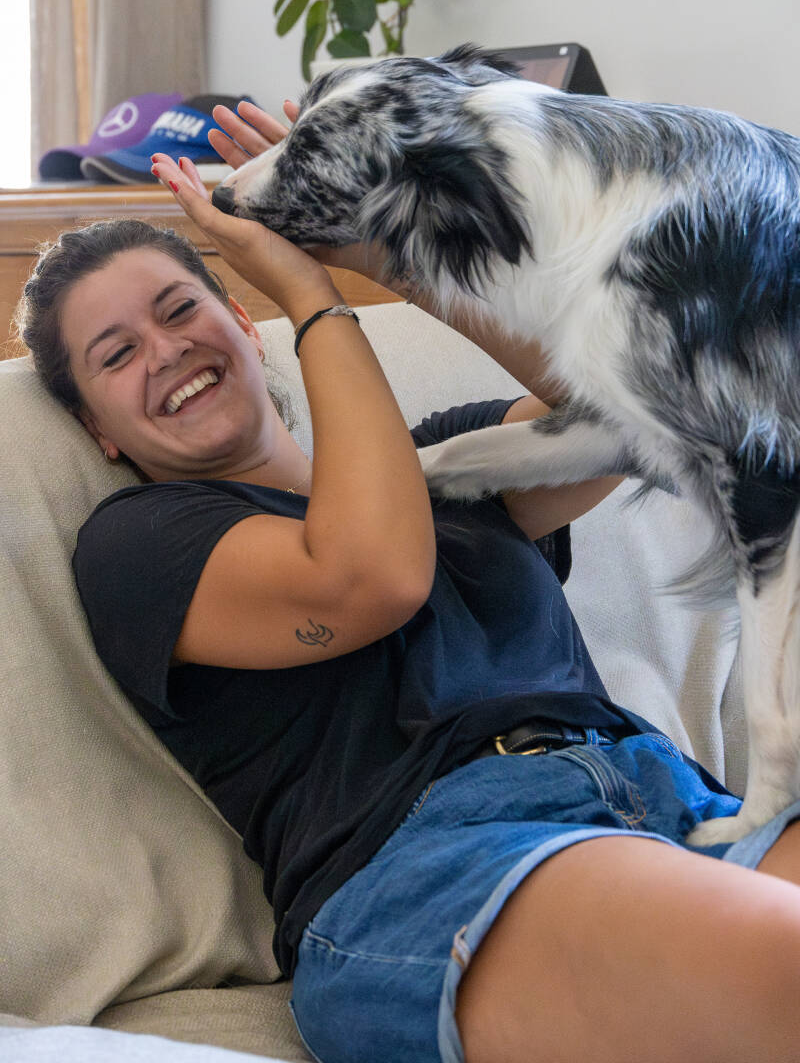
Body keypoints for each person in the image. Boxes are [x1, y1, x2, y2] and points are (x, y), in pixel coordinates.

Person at [15, 99, 800, 1063]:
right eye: (117, 355)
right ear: (98, 432)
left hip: (659, 791)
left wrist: (392, 251)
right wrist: (315, 297)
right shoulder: (140, 544)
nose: (167, 349)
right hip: (433, 866)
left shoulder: (443, 464)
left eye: (181, 310)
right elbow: (372, 578)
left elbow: (633, 409)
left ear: (244, 329)